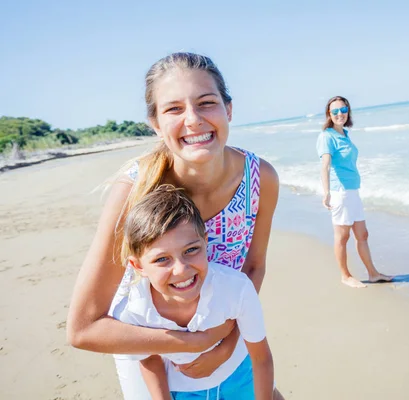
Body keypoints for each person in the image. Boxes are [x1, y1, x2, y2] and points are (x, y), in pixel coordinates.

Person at [66, 52, 284, 399]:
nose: (194, 120)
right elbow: (83, 329)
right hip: (147, 347)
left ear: (228, 109)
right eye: (174, 109)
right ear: (155, 123)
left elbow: (253, 267)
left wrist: (225, 341)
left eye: (206, 103)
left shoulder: (260, 178)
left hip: (222, 325)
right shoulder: (135, 190)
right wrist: (192, 342)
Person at [114, 185, 273, 400]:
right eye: (162, 259)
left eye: (191, 250)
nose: (181, 270)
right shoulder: (133, 311)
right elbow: (149, 360)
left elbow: (261, 358)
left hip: (240, 376)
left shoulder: (235, 288)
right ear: (138, 266)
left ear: (205, 242)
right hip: (184, 391)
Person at [316, 96, 392, 288]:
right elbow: (324, 166)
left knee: (362, 235)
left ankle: (373, 274)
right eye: (335, 111)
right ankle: (345, 275)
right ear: (329, 114)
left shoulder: (344, 134)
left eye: (343, 110)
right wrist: (326, 193)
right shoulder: (327, 136)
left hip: (352, 191)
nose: (339, 114)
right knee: (342, 237)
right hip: (340, 192)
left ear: (348, 111)